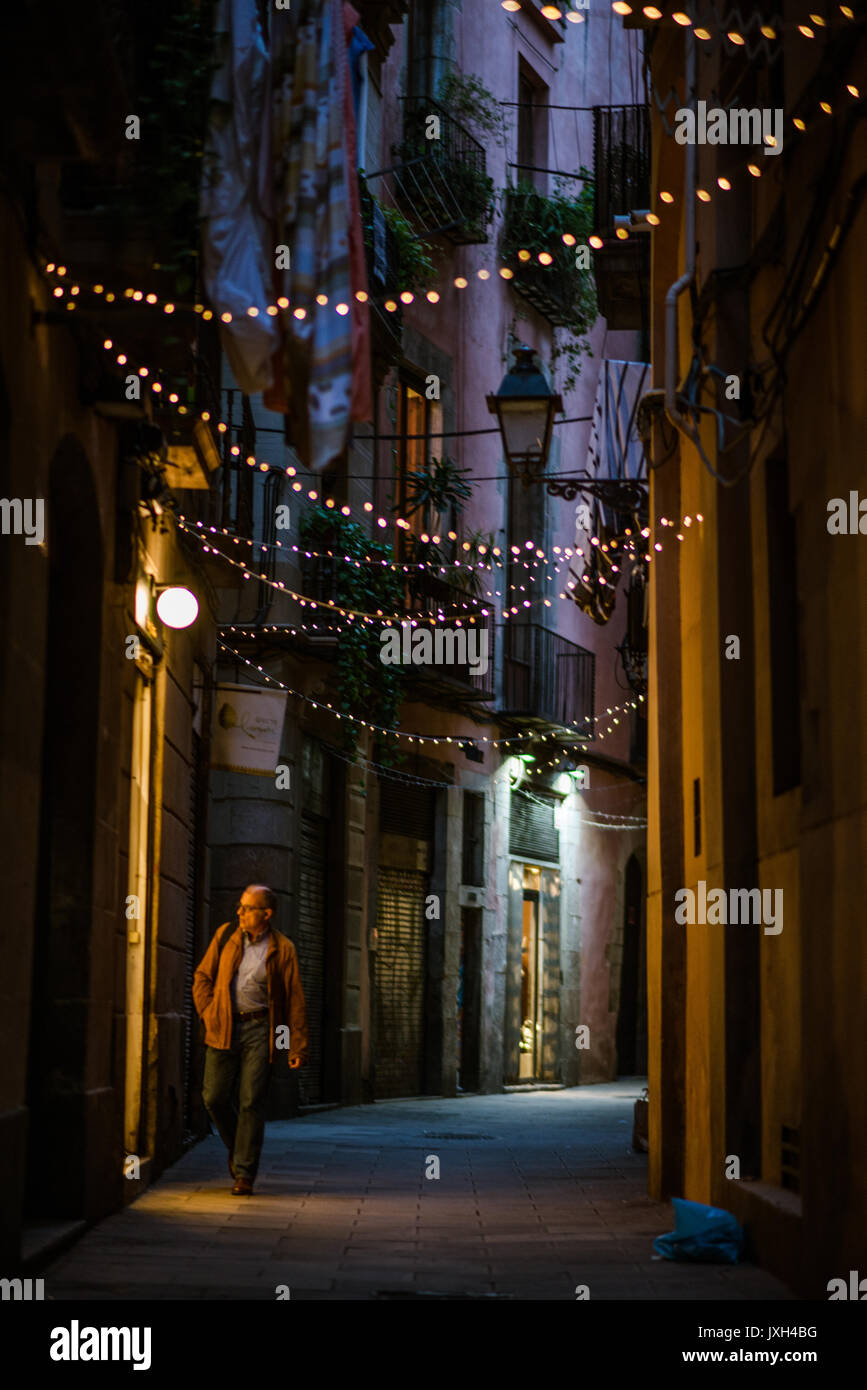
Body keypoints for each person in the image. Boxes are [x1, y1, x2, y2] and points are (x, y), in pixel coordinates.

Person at [192, 884, 308, 1195]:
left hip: (261, 1030)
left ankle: (244, 1172)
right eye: (240, 906)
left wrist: (295, 1045)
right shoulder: (226, 936)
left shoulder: (283, 949)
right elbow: (202, 977)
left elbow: (294, 999)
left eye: (247, 908)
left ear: (266, 914)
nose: (239, 912)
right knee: (213, 1097)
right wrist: (208, 1012)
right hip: (224, 1026)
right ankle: (236, 1147)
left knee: (251, 1101)